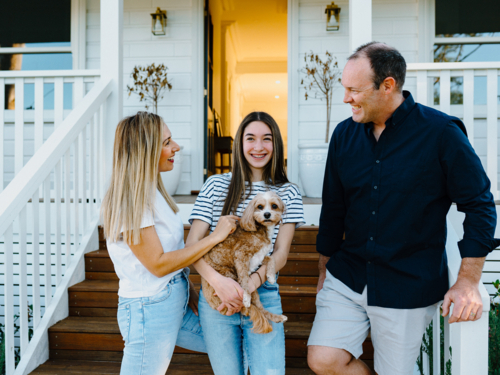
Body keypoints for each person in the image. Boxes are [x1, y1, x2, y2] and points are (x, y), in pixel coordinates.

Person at [307, 42, 500, 375]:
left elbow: (479, 204)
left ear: (388, 86)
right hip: (348, 275)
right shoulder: (343, 135)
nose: (346, 98)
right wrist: (325, 266)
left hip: (407, 284)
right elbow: (334, 208)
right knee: (323, 359)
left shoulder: (442, 133)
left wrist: (468, 280)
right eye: (344, 88)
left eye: (354, 90)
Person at [100, 112, 238, 375]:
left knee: (233, 345)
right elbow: (158, 264)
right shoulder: (132, 199)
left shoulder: (153, 191)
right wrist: (216, 237)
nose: (176, 147)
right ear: (145, 150)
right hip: (149, 310)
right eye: (166, 142)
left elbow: (172, 255)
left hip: (176, 298)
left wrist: (190, 291)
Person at [186, 111, 305, 375]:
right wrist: (221, 283)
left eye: (267, 139)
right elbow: (192, 245)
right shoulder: (216, 185)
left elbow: (281, 252)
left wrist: (252, 283)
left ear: (276, 144)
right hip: (219, 296)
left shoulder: (288, 192)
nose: (259, 147)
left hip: (264, 293)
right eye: (250, 138)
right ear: (240, 144)